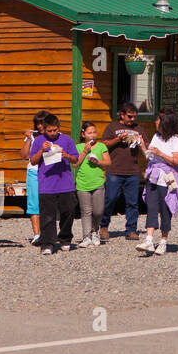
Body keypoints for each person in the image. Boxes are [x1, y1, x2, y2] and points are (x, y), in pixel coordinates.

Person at [28, 113, 81, 255]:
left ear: (58, 128)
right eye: (49, 131)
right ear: (44, 129)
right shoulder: (39, 141)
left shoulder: (67, 140)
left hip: (66, 183)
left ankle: (65, 238)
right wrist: (41, 150)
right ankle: (48, 243)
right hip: (46, 185)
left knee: (68, 212)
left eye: (55, 130)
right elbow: (33, 161)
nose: (52, 133)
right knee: (47, 216)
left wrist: (66, 155)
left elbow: (75, 160)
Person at [138, 110, 178, 256]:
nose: (155, 122)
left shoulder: (176, 140)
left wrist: (161, 154)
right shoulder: (156, 137)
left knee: (166, 209)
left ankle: (163, 241)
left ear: (165, 122)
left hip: (168, 178)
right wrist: (142, 147)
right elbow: (150, 156)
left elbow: (176, 161)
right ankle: (149, 240)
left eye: (158, 120)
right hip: (153, 175)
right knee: (151, 206)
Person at [100, 102, 146, 241]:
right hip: (114, 169)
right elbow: (104, 144)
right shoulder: (113, 127)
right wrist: (118, 139)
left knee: (132, 202)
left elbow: (147, 145)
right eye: (130, 116)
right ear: (122, 114)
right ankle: (103, 226)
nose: (132, 120)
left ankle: (131, 229)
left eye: (134, 117)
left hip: (132, 170)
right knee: (110, 198)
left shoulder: (138, 128)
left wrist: (141, 142)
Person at [74, 121, 111, 245]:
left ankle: (95, 230)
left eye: (94, 132)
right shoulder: (79, 147)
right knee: (86, 211)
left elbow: (108, 163)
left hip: (98, 182)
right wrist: (85, 151)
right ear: (83, 134)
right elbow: (75, 163)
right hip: (82, 183)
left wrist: (98, 162)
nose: (93, 135)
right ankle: (86, 237)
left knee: (98, 211)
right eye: (90, 133)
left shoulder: (101, 146)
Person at [19, 109, 48, 246]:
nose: (40, 127)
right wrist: (27, 139)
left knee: (48, 202)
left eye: (42, 123)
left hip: (48, 172)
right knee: (34, 202)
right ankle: (37, 234)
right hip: (33, 171)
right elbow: (24, 155)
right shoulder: (32, 137)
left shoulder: (53, 136)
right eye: (38, 124)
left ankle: (48, 232)